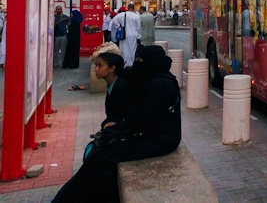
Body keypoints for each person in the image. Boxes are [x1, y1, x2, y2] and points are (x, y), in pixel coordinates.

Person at [52, 45, 181, 203]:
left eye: (141, 61)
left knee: (105, 157)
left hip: (161, 139)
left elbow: (144, 119)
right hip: (153, 135)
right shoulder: (154, 79)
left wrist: (119, 130)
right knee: (103, 155)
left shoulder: (161, 84)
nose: (137, 64)